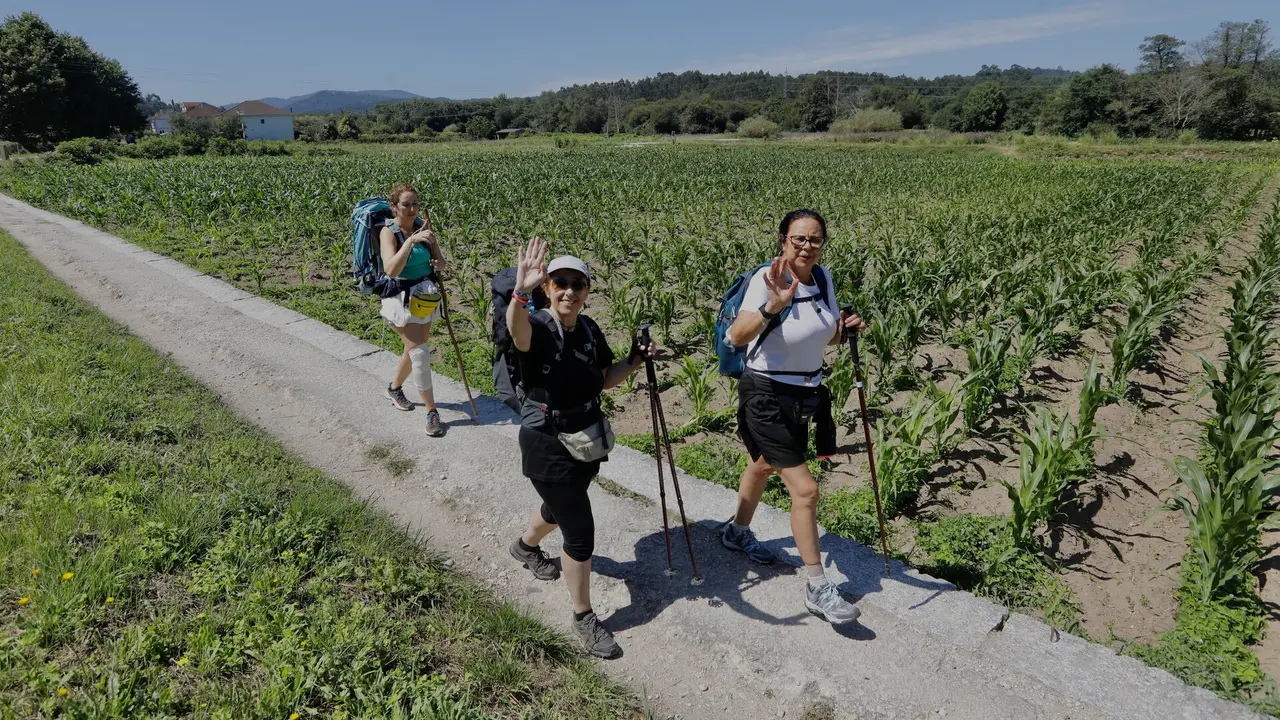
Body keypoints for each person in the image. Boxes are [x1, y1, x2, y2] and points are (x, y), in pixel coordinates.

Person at [505, 237, 655, 658]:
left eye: (578, 283)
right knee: (579, 531)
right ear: (548, 288)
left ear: (587, 291)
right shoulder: (533, 324)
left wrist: (635, 361)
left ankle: (525, 547)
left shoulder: (589, 329)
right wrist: (521, 290)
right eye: (560, 283)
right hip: (547, 444)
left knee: (559, 506)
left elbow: (605, 378)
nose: (569, 290)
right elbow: (516, 331)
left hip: (585, 439)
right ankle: (582, 616)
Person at [720, 209, 867, 625]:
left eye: (815, 240)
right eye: (798, 239)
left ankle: (735, 533)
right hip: (765, 392)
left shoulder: (822, 279)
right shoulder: (766, 279)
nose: (806, 247)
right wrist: (773, 305)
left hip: (804, 394)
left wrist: (846, 328)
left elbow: (825, 334)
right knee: (805, 491)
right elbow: (736, 336)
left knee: (763, 465)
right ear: (783, 240)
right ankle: (818, 587)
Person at [379, 183, 448, 437]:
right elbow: (391, 270)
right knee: (420, 352)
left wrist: (436, 260)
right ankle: (432, 411)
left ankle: (394, 388)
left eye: (415, 204)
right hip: (399, 299)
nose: (411, 209)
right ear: (394, 206)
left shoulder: (425, 226)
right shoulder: (389, 232)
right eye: (405, 204)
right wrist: (411, 241)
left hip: (425, 297)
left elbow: (440, 262)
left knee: (414, 347)